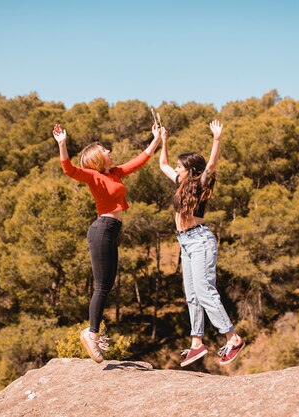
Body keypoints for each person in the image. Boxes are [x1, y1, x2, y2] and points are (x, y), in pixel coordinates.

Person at [53, 122, 162, 363]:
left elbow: (139, 161)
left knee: (107, 285)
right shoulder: (93, 176)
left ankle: (92, 333)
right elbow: (69, 170)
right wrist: (62, 145)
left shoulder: (115, 173)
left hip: (112, 231)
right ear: (96, 158)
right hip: (101, 230)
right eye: (105, 150)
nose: (110, 152)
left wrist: (156, 139)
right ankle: (91, 334)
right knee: (102, 286)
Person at [158, 120, 245, 367]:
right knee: (192, 295)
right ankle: (197, 343)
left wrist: (216, 138)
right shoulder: (180, 183)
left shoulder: (200, 183)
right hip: (185, 243)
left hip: (200, 241)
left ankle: (233, 337)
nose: (176, 168)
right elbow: (162, 164)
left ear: (191, 170)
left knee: (205, 291)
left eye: (180, 166)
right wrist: (163, 140)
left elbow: (212, 164)